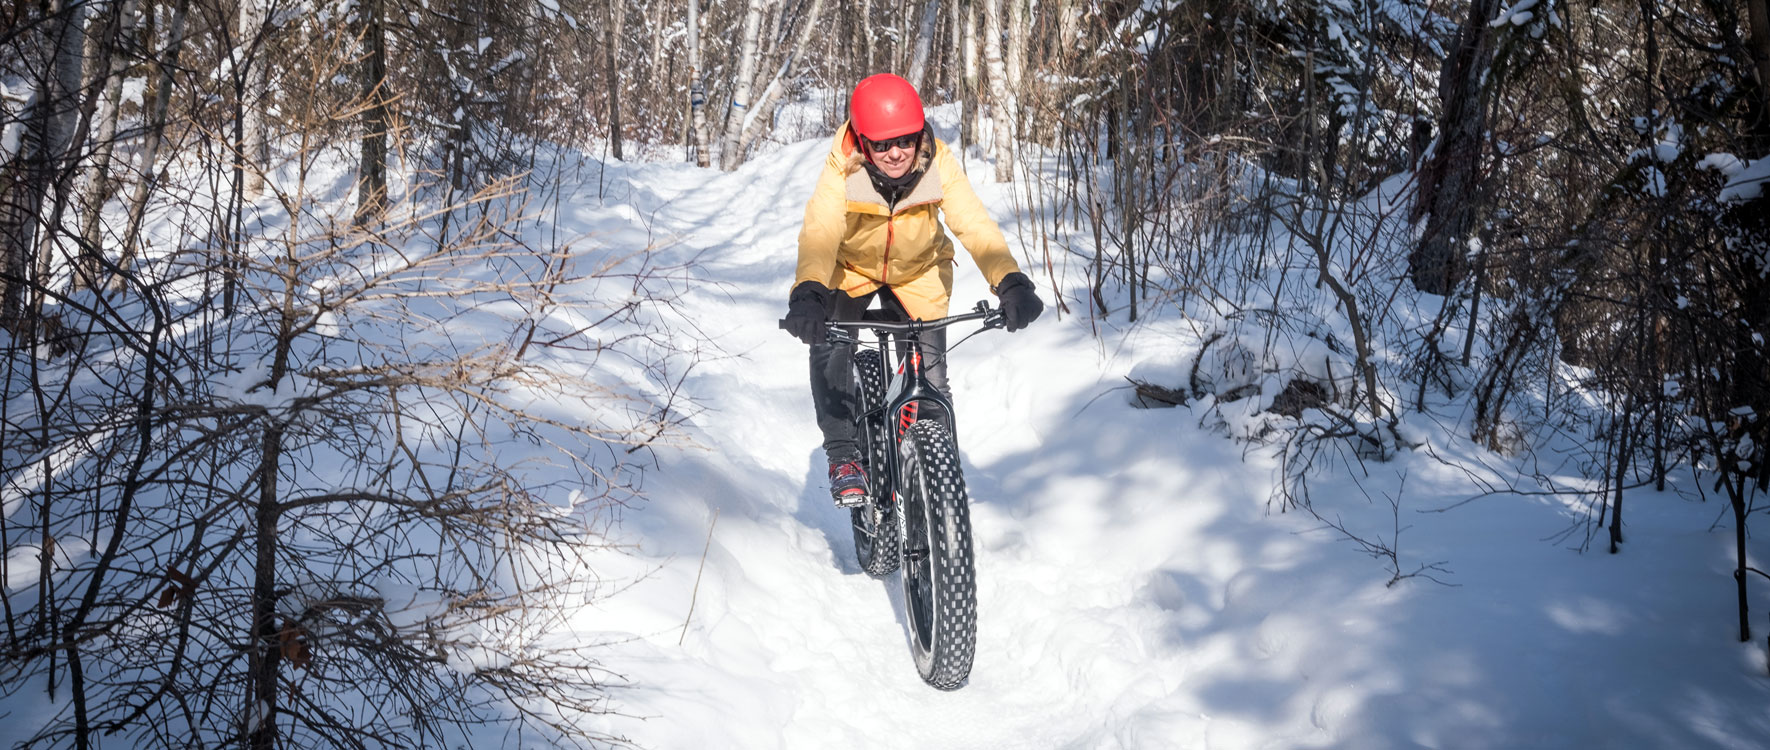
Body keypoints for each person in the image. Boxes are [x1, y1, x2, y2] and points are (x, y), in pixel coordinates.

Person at [781, 73, 1044, 506]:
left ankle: (933, 482)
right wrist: (808, 292)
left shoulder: (936, 162)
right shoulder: (843, 165)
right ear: (862, 142)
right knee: (830, 341)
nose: (896, 153)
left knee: (931, 386)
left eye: (905, 140)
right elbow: (821, 230)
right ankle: (844, 456)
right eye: (882, 144)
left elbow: (972, 222)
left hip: (919, 272)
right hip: (852, 268)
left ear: (919, 133)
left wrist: (1009, 281)